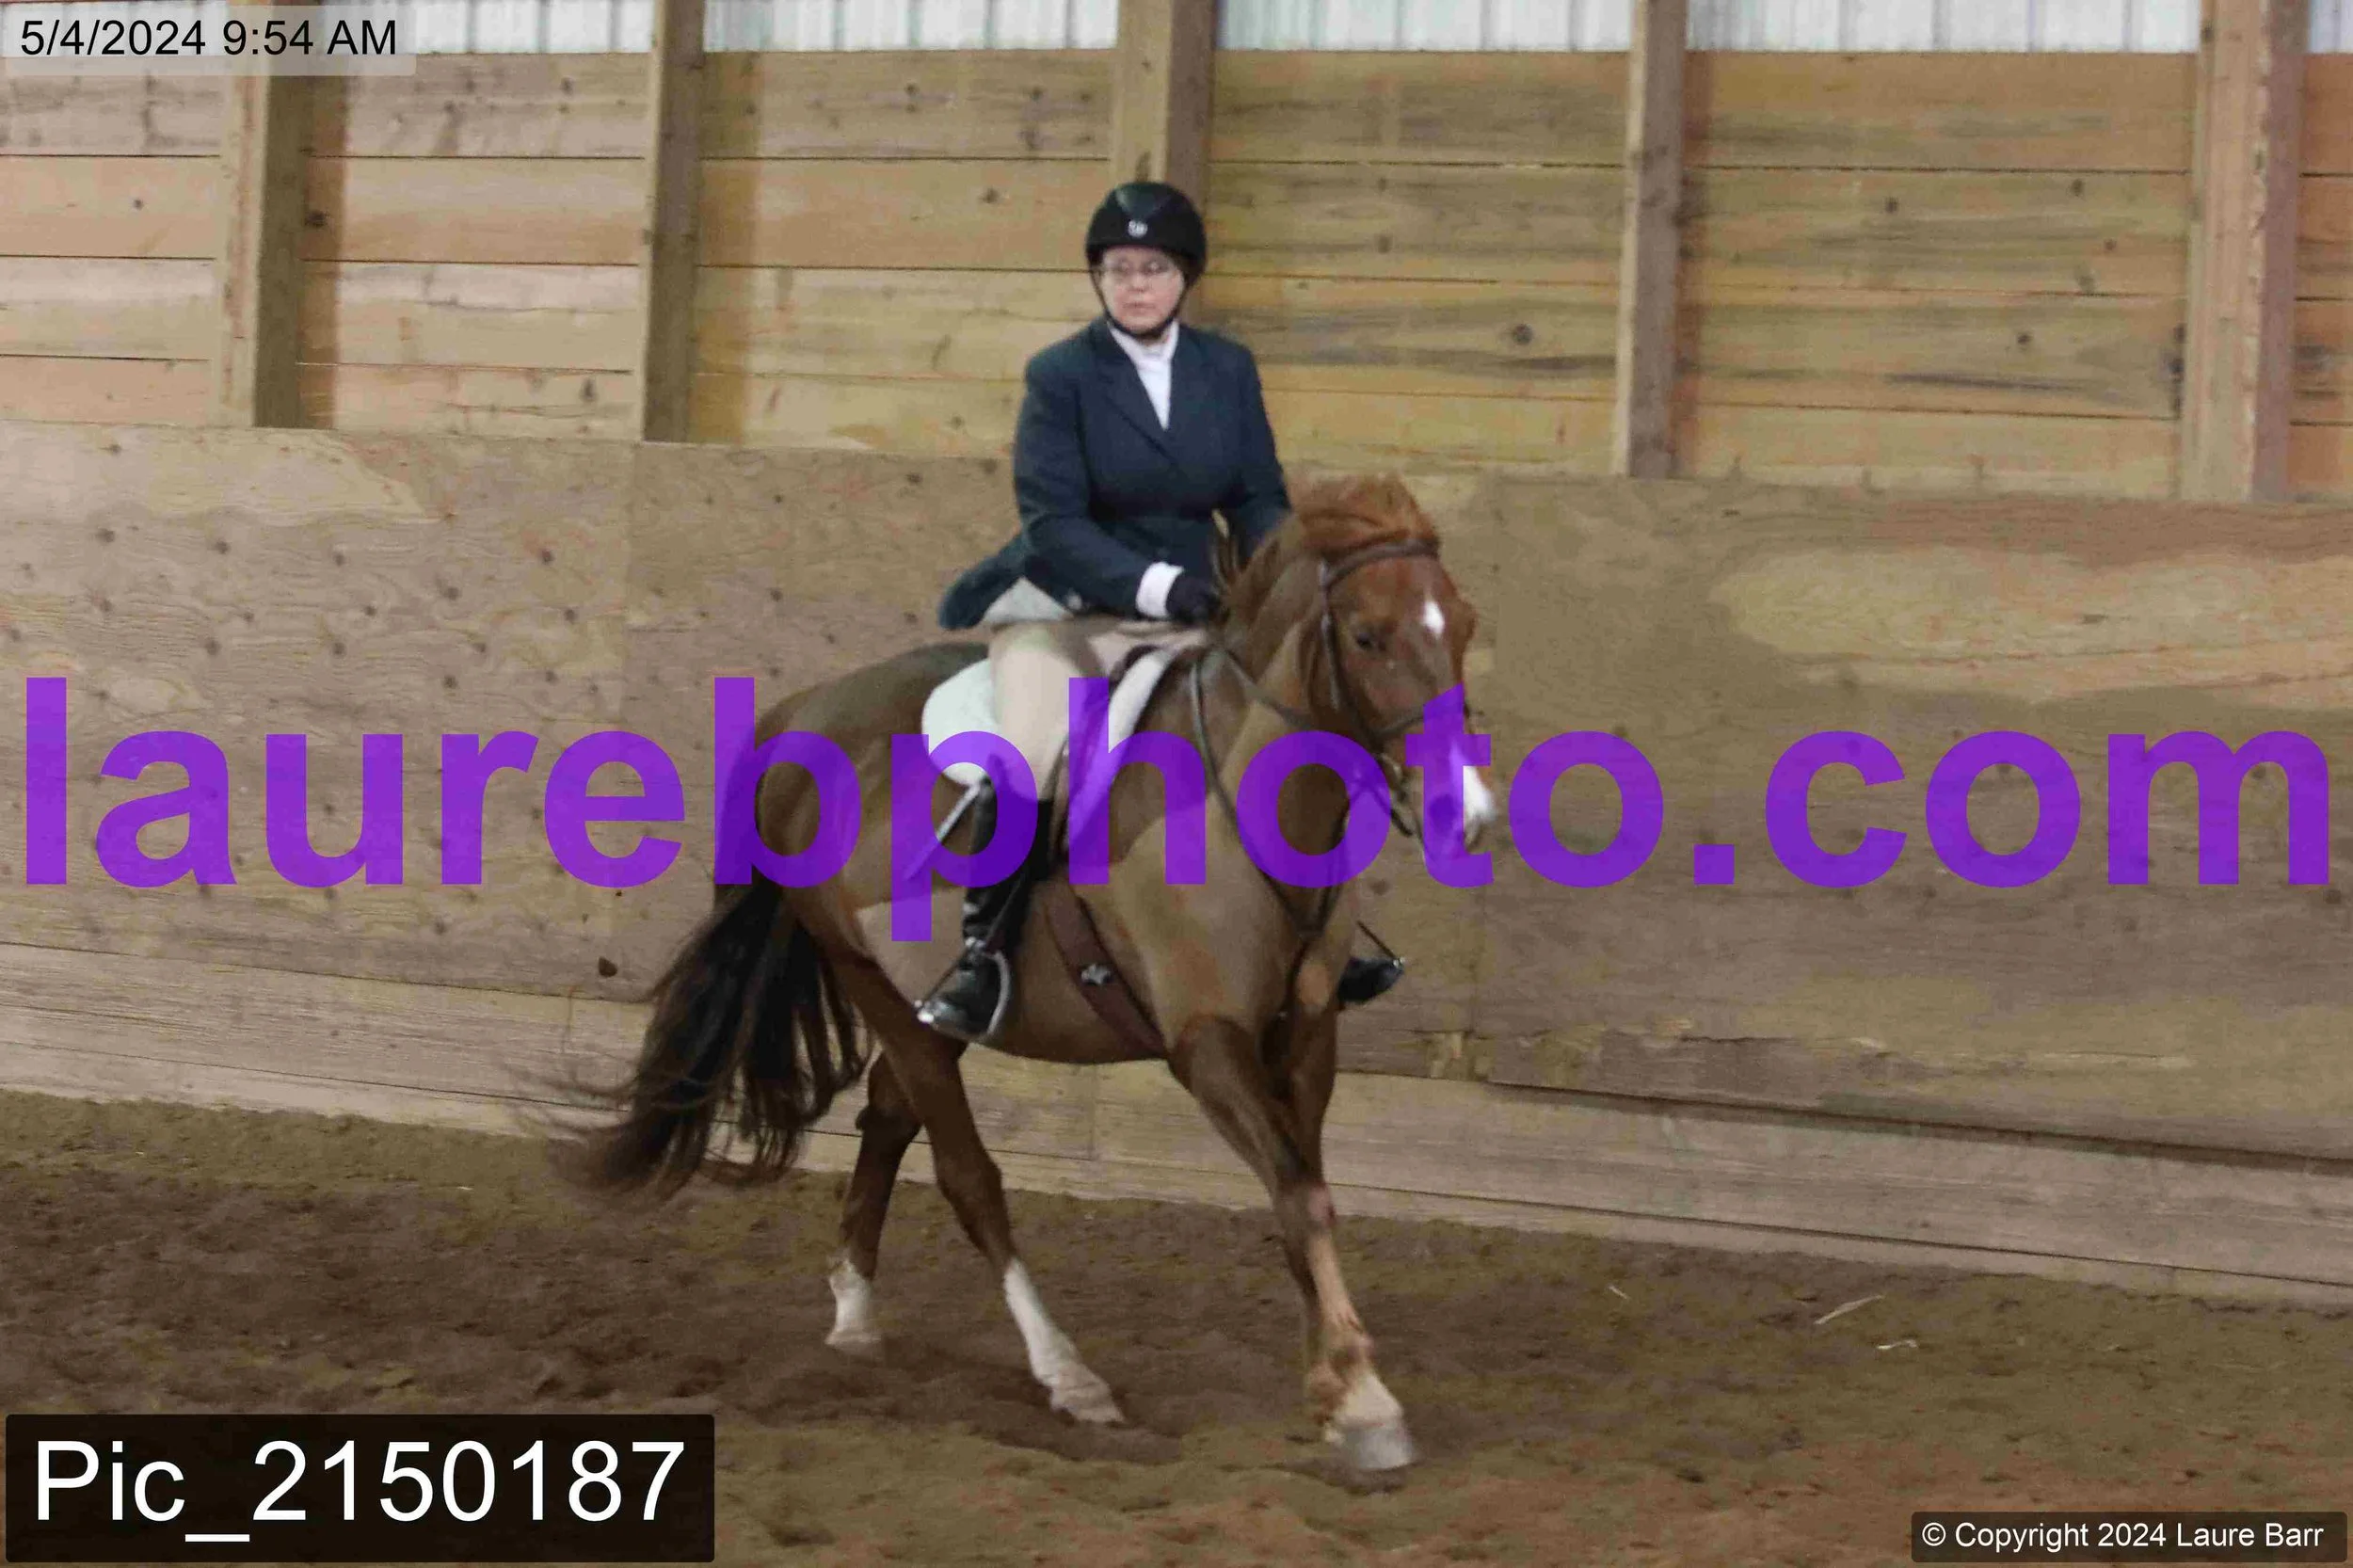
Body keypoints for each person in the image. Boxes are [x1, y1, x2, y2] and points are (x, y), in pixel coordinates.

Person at [916, 181, 1407, 1045]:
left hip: (1201, 606)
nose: (1135, 285)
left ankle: (1323, 933)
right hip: (1071, 613)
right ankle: (982, 956)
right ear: (1098, 278)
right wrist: (1155, 584)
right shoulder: (1062, 375)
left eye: (1152, 269)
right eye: (1118, 269)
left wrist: (1283, 574)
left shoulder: (1227, 370)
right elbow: (1053, 522)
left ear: (1185, 277)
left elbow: (1254, 496)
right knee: (1030, 753)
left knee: (1288, 727)